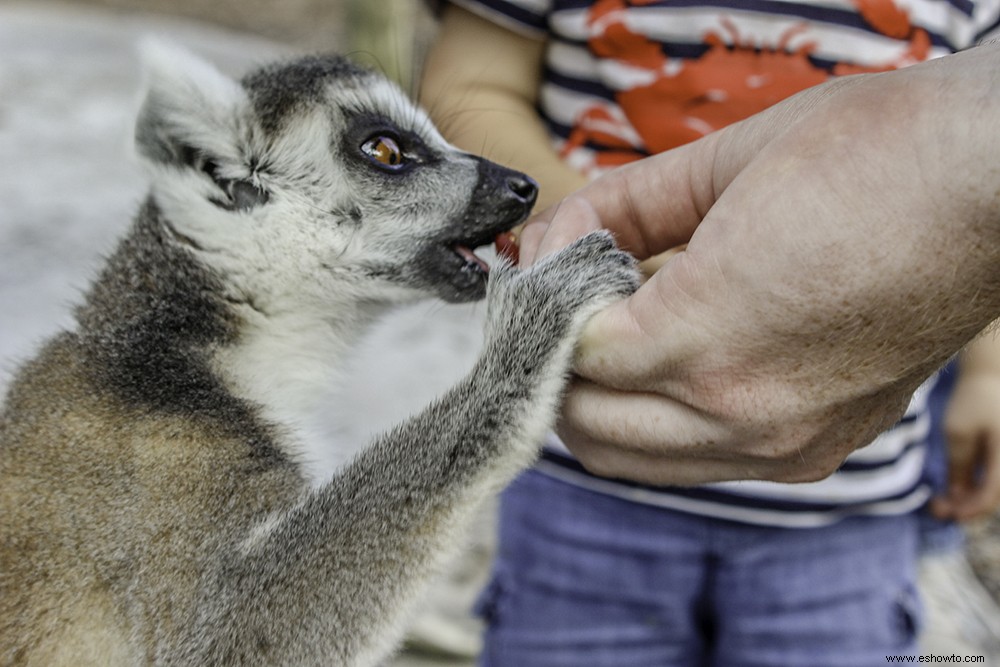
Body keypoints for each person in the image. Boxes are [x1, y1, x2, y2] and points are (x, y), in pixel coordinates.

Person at [421, 2, 1000, 665]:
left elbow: (980, 194)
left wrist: (987, 371)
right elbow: (468, 86)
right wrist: (627, 244)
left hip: (843, 512)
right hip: (580, 489)